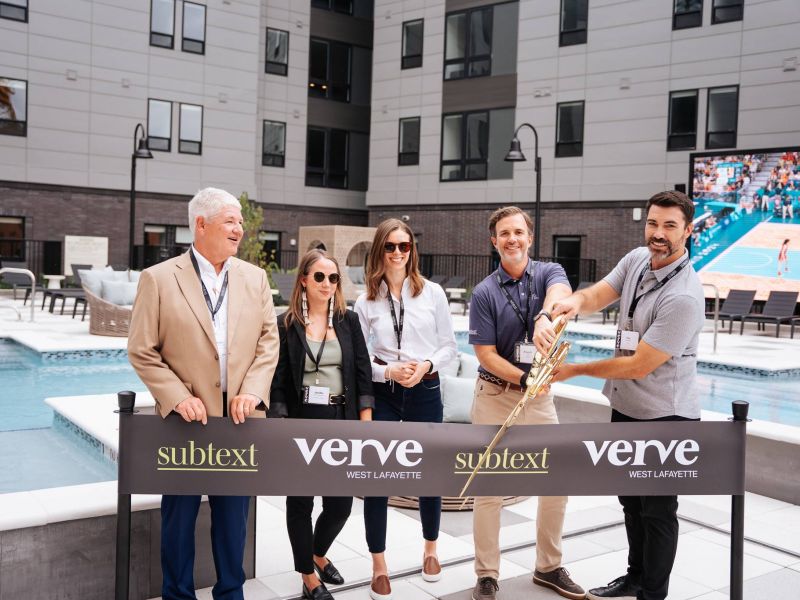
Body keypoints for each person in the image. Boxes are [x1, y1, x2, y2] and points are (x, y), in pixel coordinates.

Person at [550, 190, 705, 600]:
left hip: (665, 417)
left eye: (670, 226)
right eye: (653, 223)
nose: (658, 233)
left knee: (657, 511)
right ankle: (635, 577)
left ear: (688, 231)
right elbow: (598, 294)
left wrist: (576, 370)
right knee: (631, 502)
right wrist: (571, 303)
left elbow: (640, 364)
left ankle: (652, 594)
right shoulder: (637, 259)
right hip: (628, 407)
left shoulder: (684, 296)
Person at [128, 187, 279, 600]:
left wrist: (252, 391)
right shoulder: (158, 279)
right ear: (201, 224)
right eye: (231, 220)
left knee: (234, 522)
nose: (239, 229)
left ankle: (231, 594)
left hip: (239, 424)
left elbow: (269, 341)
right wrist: (177, 396)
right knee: (178, 522)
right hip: (184, 425)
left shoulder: (255, 278)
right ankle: (178, 595)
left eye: (240, 223)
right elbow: (142, 350)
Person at [468, 206, 585, 600]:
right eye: (504, 234)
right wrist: (524, 378)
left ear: (530, 238)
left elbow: (561, 292)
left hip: (539, 401)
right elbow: (485, 354)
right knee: (489, 489)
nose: (512, 239)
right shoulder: (484, 292)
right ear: (494, 241)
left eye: (518, 232)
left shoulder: (549, 272)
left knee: (557, 482)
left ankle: (548, 567)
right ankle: (487, 574)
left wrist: (544, 318)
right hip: (495, 396)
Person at [354, 218, 458, 600]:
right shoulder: (365, 301)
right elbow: (361, 360)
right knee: (376, 478)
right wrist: (387, 371)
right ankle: (378, 564)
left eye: (405, 246)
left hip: (425, 389)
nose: (398, 253)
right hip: (385, 393)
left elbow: (449, 346)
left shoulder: (432, 293)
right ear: (379, 251)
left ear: (412, 250)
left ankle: (431, 549)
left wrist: (426, 367)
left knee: (430, 473)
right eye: (390, 247)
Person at [269, 249, 374, 600]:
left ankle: (317, 553)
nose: (327, 284)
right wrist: (281, 422)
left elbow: (362, 371)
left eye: (333, 278)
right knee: (300, 502)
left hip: (341, 419)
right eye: (319, 277)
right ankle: (307, 575)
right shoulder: (287, 323)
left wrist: (365, 420)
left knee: (340, 504)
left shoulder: (349, 320)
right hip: (301, 421)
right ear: (303, 280)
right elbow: (279, 379)